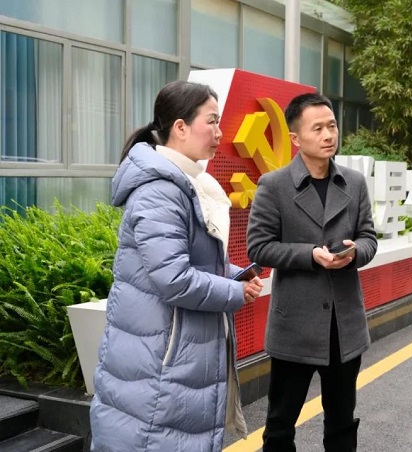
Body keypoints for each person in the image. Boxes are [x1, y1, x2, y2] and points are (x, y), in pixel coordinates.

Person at [89, 80, 263, 451]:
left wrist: (235, 274)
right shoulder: (161, 189)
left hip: (172, 353)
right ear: (180, 128)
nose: (219, 132)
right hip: (161, 362)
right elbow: (173, 278)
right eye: (211, 121)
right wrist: (234, 291)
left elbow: (186, 261)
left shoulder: (183, 182)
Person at [246, 92, 378, 452]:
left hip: (344, 324)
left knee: (341, 423)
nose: (328, 135)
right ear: (295, 138)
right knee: (280, 426)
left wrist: (354, 252)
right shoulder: (274, 186)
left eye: (332, 125)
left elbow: (369, 237)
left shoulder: (353, 182)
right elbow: (258, 248)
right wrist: (310, 255)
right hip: (295, 325)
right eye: (317, 128)